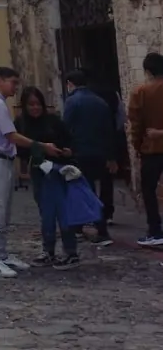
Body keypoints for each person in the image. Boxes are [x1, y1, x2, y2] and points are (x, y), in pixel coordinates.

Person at [0, 66, 63, 278]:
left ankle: (3, 254)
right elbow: (12, 136)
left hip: (3, 160)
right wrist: (42, 146)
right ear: (0, 80)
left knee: (4, 210)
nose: (16, 88)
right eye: (13, 82)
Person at [15, 86, 78, 267]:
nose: (35, 108)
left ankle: (70, 251)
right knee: (46, 212)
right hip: (39, 171)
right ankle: (48, 250)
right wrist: (39, 151)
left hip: (58, 170)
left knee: (63, 212)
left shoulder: (53, 121)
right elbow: (19, 148)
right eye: (31, 105)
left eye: (38, 104)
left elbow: (70, 140)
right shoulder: (21, 124)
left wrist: (67, 151)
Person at [62, 68, 114, 246]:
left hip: (81, 152)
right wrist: (111, 155)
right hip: (100, 151)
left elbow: (65, 127)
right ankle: (100, 226)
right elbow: (109, 130)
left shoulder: (72, 102)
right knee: (101, 189)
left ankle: (95, 228)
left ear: (70, 84)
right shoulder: (101, 102)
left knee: (85, 191)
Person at [128, 51, 163, 248]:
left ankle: (155, 230)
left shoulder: (140, 92)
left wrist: (137, 146)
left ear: (148, 71)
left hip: (151, 149)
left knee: (148, 190)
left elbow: (136, 125)